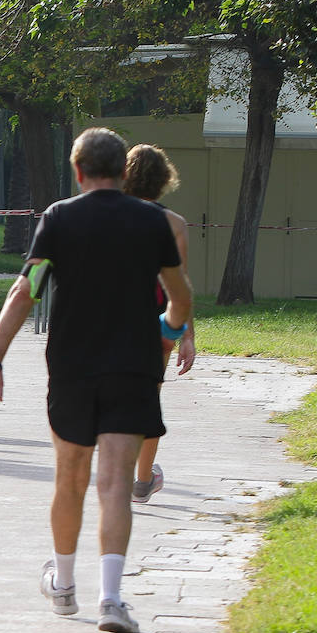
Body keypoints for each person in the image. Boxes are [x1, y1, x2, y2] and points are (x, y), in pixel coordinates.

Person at [0, 127, 192, 633]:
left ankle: (65, 586)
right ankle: (112, 600)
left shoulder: (59, 218)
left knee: (70, 478)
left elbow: (25, 290)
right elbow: (180, 295)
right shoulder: (152, 222)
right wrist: (171, 331)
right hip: (134, 367)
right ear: (124, 172)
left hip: (72, 367)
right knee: (116, 482)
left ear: (77, 171)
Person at [122, 144, 197, 503]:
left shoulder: (106, 216)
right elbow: (180, 285)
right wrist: (187, 336)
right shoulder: (175, 224)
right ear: (165, 177)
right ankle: (141, 480)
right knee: (148, 402)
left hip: (113, 319)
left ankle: (119, 474)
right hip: (158, 324)